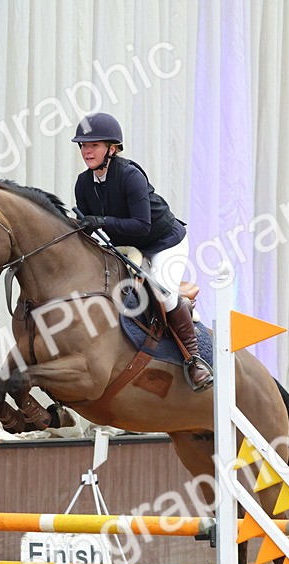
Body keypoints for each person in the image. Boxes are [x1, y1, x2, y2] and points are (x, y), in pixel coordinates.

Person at [71, 112, 212, 391]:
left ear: (112, 149)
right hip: (128, 245)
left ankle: (194, 360)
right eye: (84, 145)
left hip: (163, 242)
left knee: (161, 290)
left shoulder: (129, 175)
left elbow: (141, 224)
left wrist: (101, 221)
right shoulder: (83, 183)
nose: (87, 151)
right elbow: (90, 228)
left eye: (94, 145)